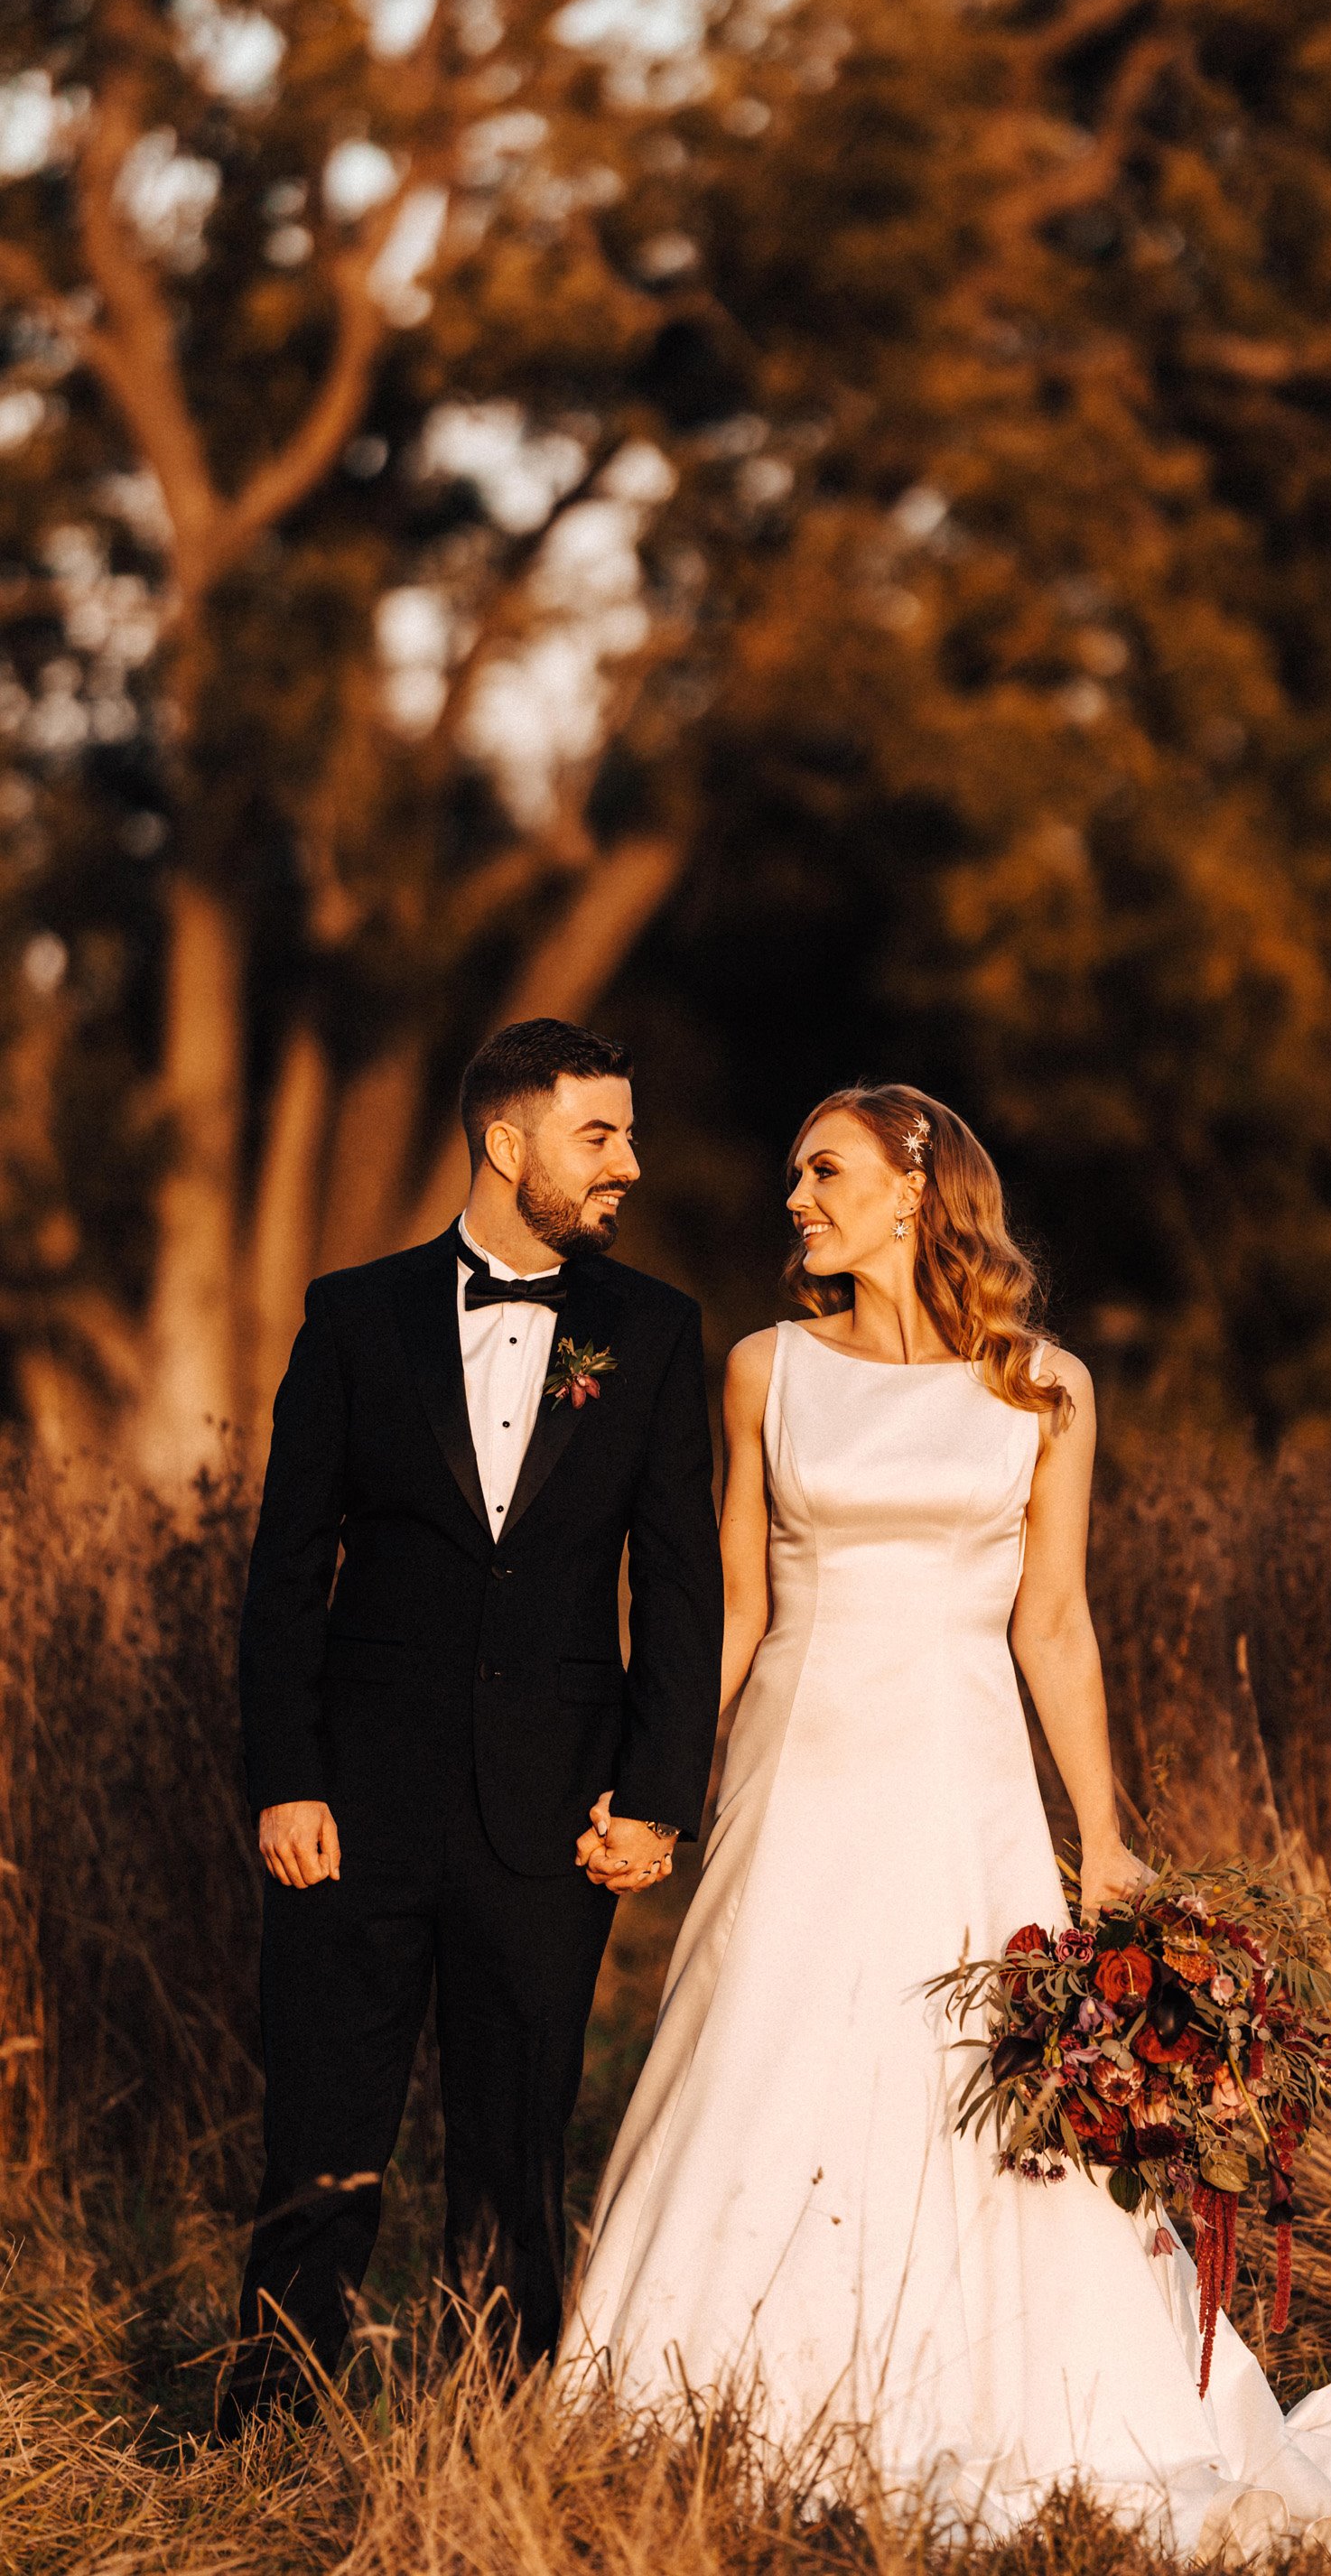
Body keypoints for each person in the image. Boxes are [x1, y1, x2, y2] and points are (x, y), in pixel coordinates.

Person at [556, 1083, 1331, 2562]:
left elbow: (1057, 1624)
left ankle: (1014, 2393)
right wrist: (660, 1792)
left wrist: (1108, 1833)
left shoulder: (1044, 1386)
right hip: (797, 1769)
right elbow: (736, 1608)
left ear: (913, 1185)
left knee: (966, 2075)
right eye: (794, 1176)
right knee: (771, 2045)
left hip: (961, 1778)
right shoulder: (765, 1370)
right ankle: (709, 2406)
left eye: (823, 1171)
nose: (796, 1199)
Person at [225, 1018, 722, 2427]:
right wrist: (286, 1779)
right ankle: (270, 2424)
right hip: (353, 1808)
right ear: (509, 1145)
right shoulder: (352, 1316)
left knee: (514, 2141)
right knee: (322, 2129)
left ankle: (497, 2434)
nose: (628, 1162)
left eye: (625, 1134)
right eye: (599, 1135)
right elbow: (284, 1574)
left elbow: (682, 1587)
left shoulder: (655, 1333)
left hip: (550, 1816)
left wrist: (655, 1798)